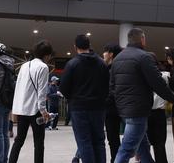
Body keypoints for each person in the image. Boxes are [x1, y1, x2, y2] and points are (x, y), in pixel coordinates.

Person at [110, 28, 174, 163]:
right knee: (126, 150)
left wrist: (121, 103)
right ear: (142, 39)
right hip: (138, 110)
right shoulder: (143, 57)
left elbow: (112, 86)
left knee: (143, 147)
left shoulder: (117, 59)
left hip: (124, 111)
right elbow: (157, 83)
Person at [60, 35, 110, 163]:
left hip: (79, 108)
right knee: (99, 141)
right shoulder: (101, 63)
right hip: (99, 108)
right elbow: (107, 86)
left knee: (84, 142)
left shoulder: (72, 64)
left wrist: (73, 98)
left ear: (75, 47)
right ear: (89, 45)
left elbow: (64, 88)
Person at [9, 40, 54, 163]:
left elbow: (18, 87)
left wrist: (15, 108)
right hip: (35, 110)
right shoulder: (43, 67)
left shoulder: (24, 65)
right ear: (46, 55)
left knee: (19, 140)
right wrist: (44, 111)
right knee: (39, 143)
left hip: (22, 109)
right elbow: (42, 92)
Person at [146, 55, 169, 163]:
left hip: (146, 112)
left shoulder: (142, 76)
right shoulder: (165, 75)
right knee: (159, 144)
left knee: (145, 143)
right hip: (159, 112)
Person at [102, 43, 122, 163]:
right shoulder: (111, 68)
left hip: (113, 108)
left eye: (105, 51)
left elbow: (112, 90)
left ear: (111, 54)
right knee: (114, 139)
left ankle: (116, 159)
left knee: (113, 138)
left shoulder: (112, 69)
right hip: (119, 107)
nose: (103, 54)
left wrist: (105, 100)